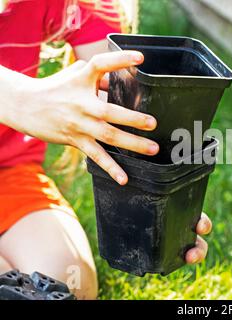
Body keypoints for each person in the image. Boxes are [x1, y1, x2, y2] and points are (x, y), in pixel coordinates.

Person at [0, 0, 212, 299]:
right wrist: (19, 100)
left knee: (67, 281)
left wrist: (163, 191)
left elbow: (119, 98)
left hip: (8, 174)